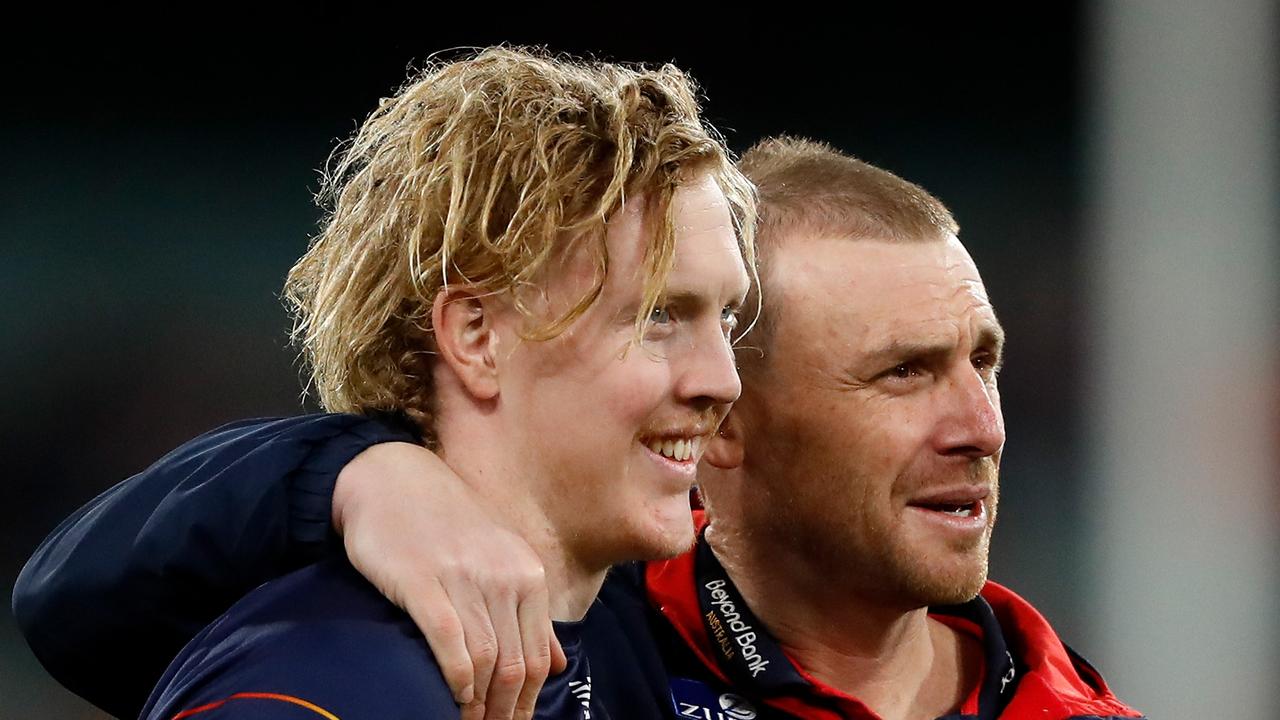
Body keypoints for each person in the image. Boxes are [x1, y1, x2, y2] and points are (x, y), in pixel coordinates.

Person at [15, 138, 1144, 720]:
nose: (979, 426)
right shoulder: (536, 645)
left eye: (982, 363)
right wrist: (353, 473)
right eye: (902, 375)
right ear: (726, 426)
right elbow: (72, 601)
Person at [13, 46, 758, 720]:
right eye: (659, 316)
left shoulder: (640, 635)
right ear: (476, 338)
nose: (721, 380)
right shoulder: (319, 680)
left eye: (727, 320)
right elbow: (66, 593)